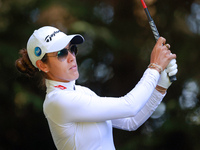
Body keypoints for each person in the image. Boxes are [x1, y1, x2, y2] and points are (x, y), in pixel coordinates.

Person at [15, 26, 177, 150]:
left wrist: (160, 87)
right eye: (61, 54)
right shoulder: (57, 101)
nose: (72, 58)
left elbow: (130, 121)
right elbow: (130, 105)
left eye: (72, 49)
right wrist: (155, 67)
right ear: (42, 65)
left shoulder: (83, 93)